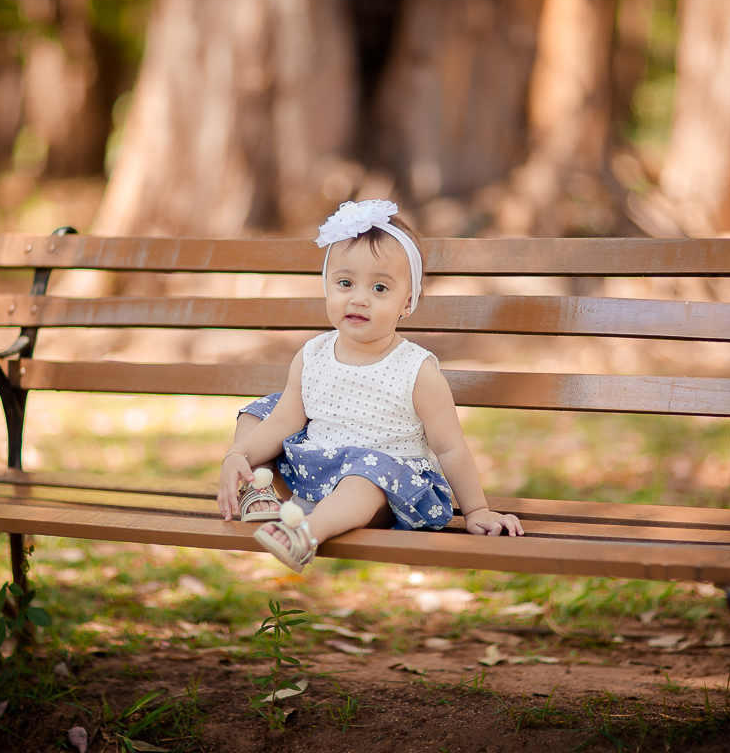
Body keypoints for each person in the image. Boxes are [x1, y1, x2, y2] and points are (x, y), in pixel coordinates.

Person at [218, 199, 524, 573]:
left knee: (363, 476)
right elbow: (283, 422)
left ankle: (305, 534)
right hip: (311, 471)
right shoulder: (312, 354)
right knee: (260, 411)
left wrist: (477, 510)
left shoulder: (417, 370)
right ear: (327, 287)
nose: (359, 298)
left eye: (380, 288)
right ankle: (258, 490)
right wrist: (239, 454)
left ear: (407, 302)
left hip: (382, 489)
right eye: (345, 283)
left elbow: (450, 447)